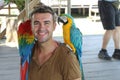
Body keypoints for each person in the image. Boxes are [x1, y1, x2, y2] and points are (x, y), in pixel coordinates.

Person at [28, 3, 82, 80]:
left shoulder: (67, 58)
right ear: (31, 27)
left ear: (54, 26)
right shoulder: (29, 52)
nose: (41, 28)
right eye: (36, 23)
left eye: (46, 23)